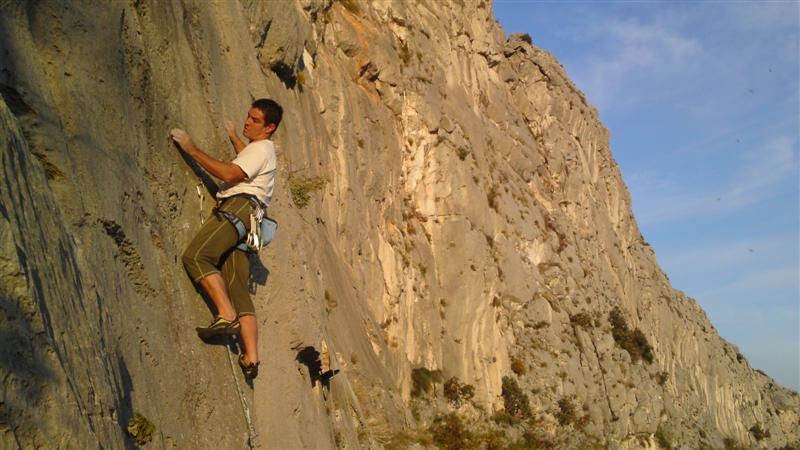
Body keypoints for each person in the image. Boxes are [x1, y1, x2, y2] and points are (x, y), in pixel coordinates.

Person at [170, 98, 282, 379]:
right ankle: (252, 357)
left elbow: (231, 173)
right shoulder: (263, 151)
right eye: (248, 116)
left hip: (239, 208)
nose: (247, 122)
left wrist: (191, 148)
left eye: (255, 120)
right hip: (251, 222)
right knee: (237, 286)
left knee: (197, 256)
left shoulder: (262, 148)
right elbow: (248, 164)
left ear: (270, 127)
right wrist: (234, 138)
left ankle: (226, 315)